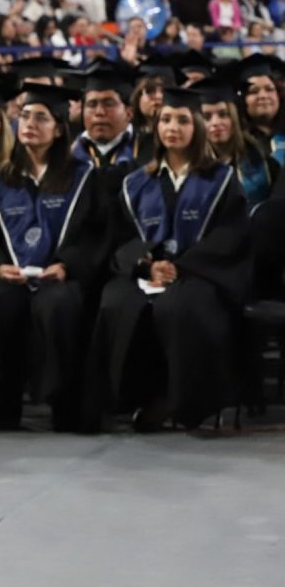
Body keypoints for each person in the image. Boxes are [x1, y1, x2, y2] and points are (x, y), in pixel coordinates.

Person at [86, 87, 249, 432]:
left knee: (179, 307)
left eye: (183, 120)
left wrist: (182, 266)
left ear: (197, 127)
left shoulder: (221, 180)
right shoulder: (136, 182)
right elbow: (121, 237)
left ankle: (178, 399)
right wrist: (146, 265)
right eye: (166, 120)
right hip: (149, 273)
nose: (173, 127)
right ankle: (127, 398)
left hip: (200, 273)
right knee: (117, 301)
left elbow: (231, 235)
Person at [0, 84, 106, 431]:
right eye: (25, 117)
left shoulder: (83, 177)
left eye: (41, 118)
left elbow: (96, 234)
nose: (29, 124)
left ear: (58, 129)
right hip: (12, 276)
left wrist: (67, 264)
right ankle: (3, 405)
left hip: (61, 276)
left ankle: (63, 406)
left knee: (57, 305)